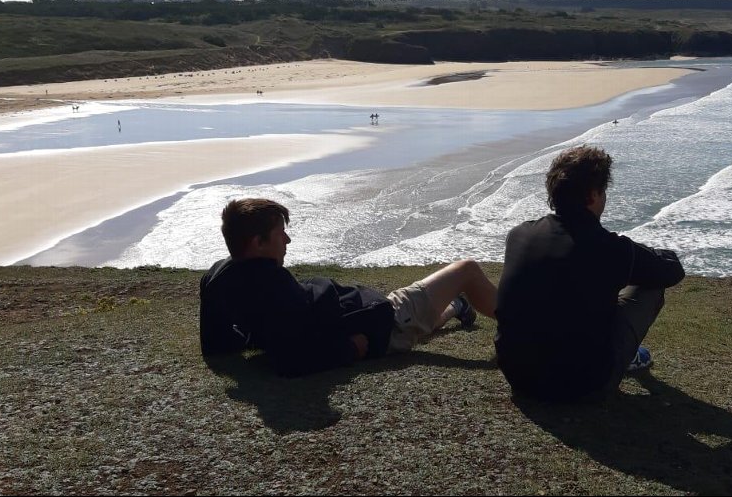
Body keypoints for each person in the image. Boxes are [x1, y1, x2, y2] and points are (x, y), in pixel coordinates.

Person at [200, 198, 497, 377]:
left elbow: (215, 345)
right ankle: (529, 327)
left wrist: (254, 335)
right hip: (382, 322)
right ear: (258, 242)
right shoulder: (273, 287)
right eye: (281, 235)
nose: (287, 241)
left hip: (375, 316)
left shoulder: (217, 276)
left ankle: (457, 306)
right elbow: (289, 361)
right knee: (466, 269)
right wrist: (346, 350)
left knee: (418, 322)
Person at [494, 145, 685, 402]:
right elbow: (672, 271)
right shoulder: (608, 248)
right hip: (582, 384)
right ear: (594, 194)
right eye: (603, 191)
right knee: (649, 287)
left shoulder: (519, 234)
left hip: (518, 376)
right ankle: (627, 356)